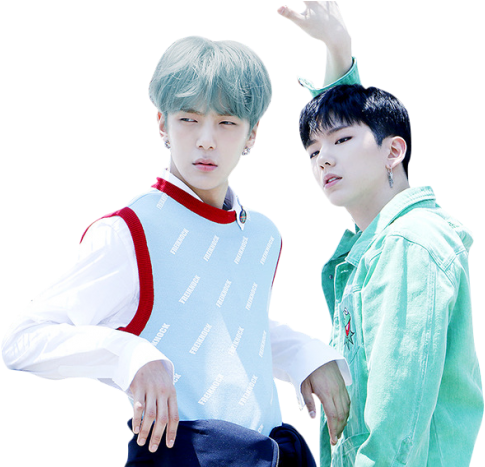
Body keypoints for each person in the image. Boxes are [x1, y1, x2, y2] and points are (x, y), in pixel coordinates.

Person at [2, 3, 359, 465]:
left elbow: (224, 325)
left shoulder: (263, 234)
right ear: (162, 124)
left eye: (227, 122)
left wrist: (306, 356)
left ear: (252, 135)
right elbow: (24, 340)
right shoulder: (130, 231)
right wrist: (131, 356)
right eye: (189, 118)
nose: (206, 139)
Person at [288, 18, 483, 467]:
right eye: (313, 151)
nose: (324, 159)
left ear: (393, 151)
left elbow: (397, 416)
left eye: (341, 140)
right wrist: (337, 51)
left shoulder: (408, 243)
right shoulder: (377, 247)